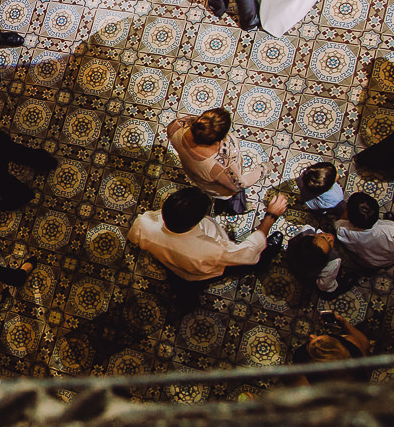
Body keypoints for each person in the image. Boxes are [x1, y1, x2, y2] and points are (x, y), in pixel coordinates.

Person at [126, 187, 287, 282]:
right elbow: (249, 253)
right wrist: (270, 217)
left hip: (172, 264)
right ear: (196, 221)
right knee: (250, 262)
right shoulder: (210, 250)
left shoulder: (143, 224)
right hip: (202, 273)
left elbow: (134, 238)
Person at [166, 108, 265, 214]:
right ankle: (236, 209)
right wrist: (262, 170)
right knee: (232, 201)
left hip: (197, 176)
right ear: (218, 139)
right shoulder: (219, 165)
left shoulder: (176, 126)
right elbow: (239, 186)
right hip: (220, 190)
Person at [291, 314, 371, 386]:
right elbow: (364, 341)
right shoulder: (355, 351)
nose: (312, 336)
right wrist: (342, 321)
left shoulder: (308, 382)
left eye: (311, 343)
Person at [335, 192, 394, 269]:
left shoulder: (343, 230)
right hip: (386, 260)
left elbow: (338, 223)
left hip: (369, 262)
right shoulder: (390, 230)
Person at [285, 228, 349, 298]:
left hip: (293, 264)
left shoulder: (304, 231)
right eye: (330, 244)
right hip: (308, 277)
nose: (330, 237)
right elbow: (324, 284)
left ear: (312, 235)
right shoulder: (333, 261)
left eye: (323, 237)